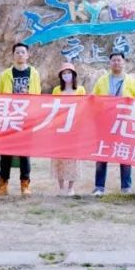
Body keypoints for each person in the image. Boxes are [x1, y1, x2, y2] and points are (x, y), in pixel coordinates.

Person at [0, 42, 42, 197]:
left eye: (23, 52)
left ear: (27, 55)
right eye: (17, 52)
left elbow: (38, 94)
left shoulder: (34, 73)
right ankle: (3, 185)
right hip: (9, 118)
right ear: (13, 55)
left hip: (26, 118)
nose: (20, 55)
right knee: (5, 153)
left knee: (24, 153)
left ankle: (25, 184)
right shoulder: (6, 74)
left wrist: (34, 115)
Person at [91, 51, 135, 195]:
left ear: (124, 62)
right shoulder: (102, 80)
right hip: (106, 123)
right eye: (114, 60)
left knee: (124, 154)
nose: (116, 63)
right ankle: (99, 187)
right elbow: (93, 98)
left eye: (119, 60)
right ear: (110, 63)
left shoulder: (130, 81)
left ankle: (126, 187)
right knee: (102, 155)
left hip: (124, 124)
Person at [51, 62, 86, 196]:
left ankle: (71, 187)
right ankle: (61, 187)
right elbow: (53, 107)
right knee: (59, 158)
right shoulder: (57, 90)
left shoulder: (80, 90)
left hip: (74, 128)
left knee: (73, 158)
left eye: (69, 73)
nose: (66, 75)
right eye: (64, 73)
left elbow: (84, 107)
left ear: (74, 75)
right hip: (60, 128)